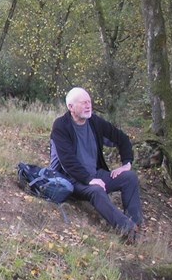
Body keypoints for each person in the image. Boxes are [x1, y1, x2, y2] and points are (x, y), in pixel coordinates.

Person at [50, 87, 141, 241]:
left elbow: (122, 138)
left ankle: (136, 224)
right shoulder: (61, 126)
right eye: (83, 102)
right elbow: (67, 161)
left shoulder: (94, 121)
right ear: (70, 107)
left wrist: (127, 163)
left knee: (129, 178)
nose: (88, 105)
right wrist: (89, 180)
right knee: (97, 191)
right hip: (70, 179)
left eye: (89, 102)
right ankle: (129, 231)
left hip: (95, 174)